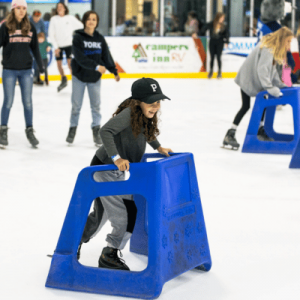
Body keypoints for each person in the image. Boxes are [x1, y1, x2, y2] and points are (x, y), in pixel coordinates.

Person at [77, 77, 173, 270]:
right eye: (151, 102)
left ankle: (74, 239)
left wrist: (159, 147)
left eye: (158, 102)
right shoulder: (129, 113)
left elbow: (147, 132)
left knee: (102, 215)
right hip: (103, 168)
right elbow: (106, 131)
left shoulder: (142, 116)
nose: (155, 107)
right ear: (138, 102)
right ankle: (109, 254)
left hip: (116, 172)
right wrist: (116, 157)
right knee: (125, 213)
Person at [222, 27, 292, 150]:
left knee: (263, 102)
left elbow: (273, 73)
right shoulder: (268, 48)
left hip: (254, 80)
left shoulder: (272, 48)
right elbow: (262, 70)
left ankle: (260, 130)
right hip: (248, 79)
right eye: (288, 41)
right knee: (245, 106)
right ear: (282, 39)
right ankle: (230, 133)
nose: (289, 44)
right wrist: (271, 88)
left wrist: (282, 87)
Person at [66, 10, 120, 146]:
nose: (91, 21)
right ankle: (72, 129)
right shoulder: (78, 37)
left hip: (94, 79)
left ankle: (96, 131)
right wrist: (96, 66)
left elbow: (106, 56)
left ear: (97, 22)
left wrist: (114, 71)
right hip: (79, 76)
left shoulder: (100, 39)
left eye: (94, 19)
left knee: (95, 106)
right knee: (76, 106)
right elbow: (79, 58)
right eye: (89, 19)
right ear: (84, 21)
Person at [0, 0, 44, 147]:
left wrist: (41, 66)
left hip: (26, 70)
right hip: (9, 70)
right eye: (18, 8)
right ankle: (3, 130)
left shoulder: (30, 27)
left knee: (28, 102)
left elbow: (36, 48)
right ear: (13, 9)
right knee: (8, 101)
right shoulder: (5, 26)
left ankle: (29, 130)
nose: (21, 10)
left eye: (24, 8)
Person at [48, 2, 83, 92]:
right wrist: (56, 47)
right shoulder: (53, 19)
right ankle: (63, 78)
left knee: (70, 63)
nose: (59, 8)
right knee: (59, 64)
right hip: (58, 46)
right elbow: (51, 34)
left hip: (69, 45)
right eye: (58, 7)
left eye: (61, 7)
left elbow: (81, 26)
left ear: (65, 8)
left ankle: (75, 81)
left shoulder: (70, 18)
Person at [201, 12, 229, 79]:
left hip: (220, 42)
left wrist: (227, 42)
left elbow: (227, 34)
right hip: (212, 42)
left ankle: (219, 72)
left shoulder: (224, 26)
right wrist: (200, 33)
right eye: (222, 17)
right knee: (212, 58)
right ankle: (211, 71)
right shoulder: (212, 24)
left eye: (223, 18)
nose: (223, 19)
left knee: (219, 57)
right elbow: (204, 28)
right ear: (218, 17)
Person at [30, 10, 45, 85]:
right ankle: (28, 75)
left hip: (36, 43)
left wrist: (42, 39)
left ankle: (36, 76)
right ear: (32, 16)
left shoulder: (41, 21)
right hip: (28, 42)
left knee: (36, 60)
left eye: (38, 17)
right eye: (35, 17)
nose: (37, 19)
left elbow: (43, 32)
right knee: (28, 59)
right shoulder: (28, 20)